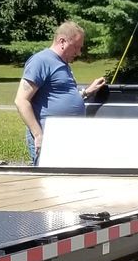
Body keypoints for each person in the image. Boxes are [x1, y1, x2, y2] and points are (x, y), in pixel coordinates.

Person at [14, 23, 107, 163]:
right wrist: (38, 134)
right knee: (47, 180)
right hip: (49, 136)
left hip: (68, 136)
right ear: (62, 41)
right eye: (76, 47)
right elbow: (21, 101)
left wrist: (87, 92)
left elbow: (58, 95)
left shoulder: (63, 65)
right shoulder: (41, 61)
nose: (79, 53)